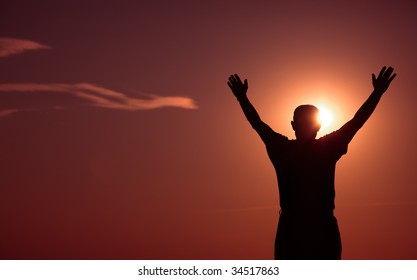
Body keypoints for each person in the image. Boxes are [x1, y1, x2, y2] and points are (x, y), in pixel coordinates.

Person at [227, 66, 396, 259]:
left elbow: (257, 124)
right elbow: (356, 121)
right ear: (318, 125)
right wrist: (377, 93)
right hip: (313, 228)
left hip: (299, 229)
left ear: (293, 125)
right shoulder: (325, 148)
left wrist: (242, 98)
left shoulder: (284, 148)